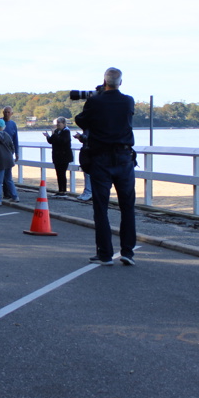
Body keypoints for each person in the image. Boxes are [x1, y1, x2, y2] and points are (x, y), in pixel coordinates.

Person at [74, 67, 136, 266]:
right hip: (124, 158)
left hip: (101, 159)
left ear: (104, 81)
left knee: (101, 207)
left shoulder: (95, 101)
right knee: (127, 206)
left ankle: (105, 254)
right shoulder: (128, 101)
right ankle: (127, 252)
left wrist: (95, 97)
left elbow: (80, 120)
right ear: (121, 82)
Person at [43, 117, 73, 197]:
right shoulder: (56, 131)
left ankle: (64, 191)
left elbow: (63, 141)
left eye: (59, 123)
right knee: (58, 173)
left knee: (62, 173)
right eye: (57, 123)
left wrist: (54, 135)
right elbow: (51, 141)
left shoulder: (66, 131)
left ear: (64, 123)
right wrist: (48, 136)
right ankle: (60, 190)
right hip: (57, 156)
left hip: (64, 156)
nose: (57, 124)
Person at [73, 131, 93, 201]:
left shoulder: (93, 128)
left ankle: (89, 192)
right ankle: (87, 191)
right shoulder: (86, 129)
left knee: (89, 173)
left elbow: (91, 139)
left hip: (90, 153)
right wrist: (80, 137)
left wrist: (81, 136)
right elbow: (85, 140)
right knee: (86, 173)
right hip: (85, 152)